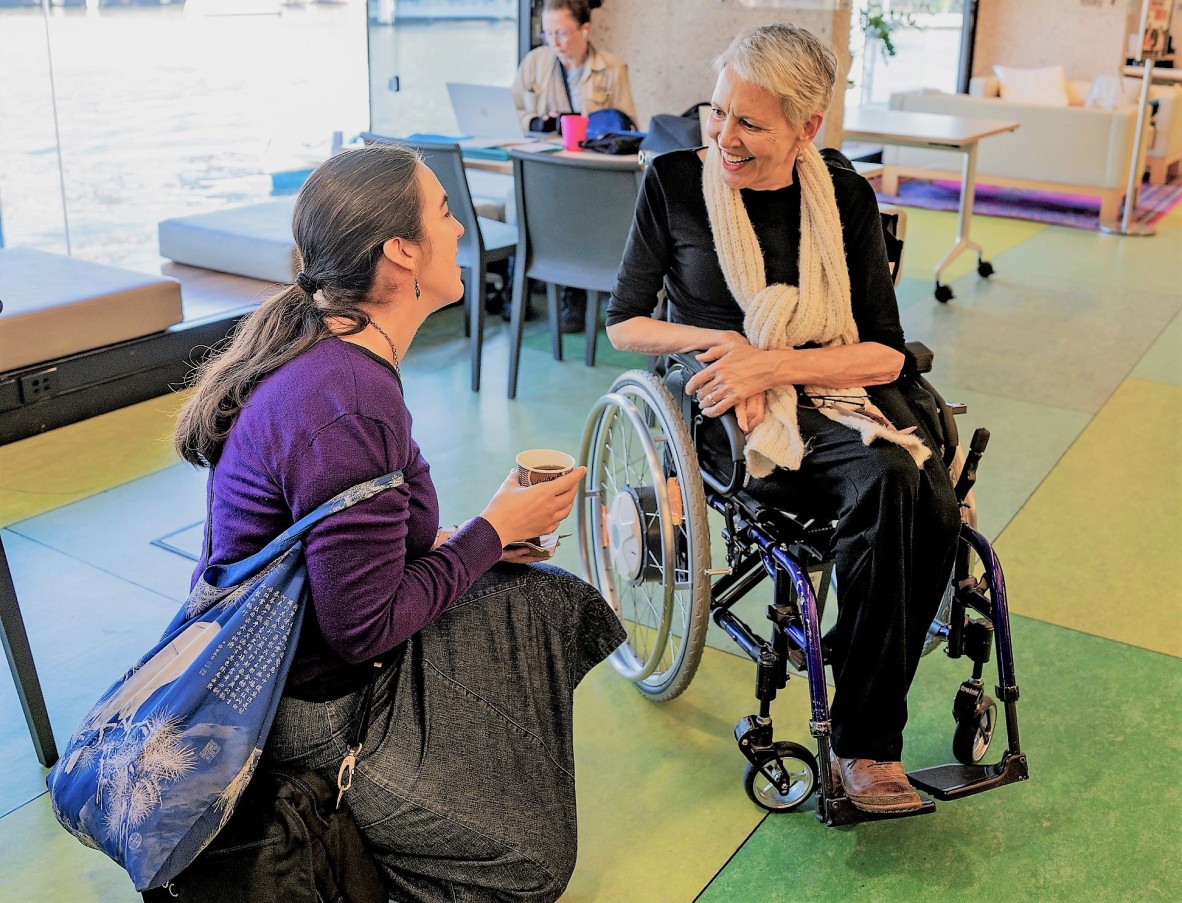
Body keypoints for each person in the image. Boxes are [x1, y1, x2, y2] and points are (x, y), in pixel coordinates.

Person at [173, 143, 625, 901]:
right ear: (401, 252)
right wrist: (486, 531)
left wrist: (468, 542)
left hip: (302, 660)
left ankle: (467, 786)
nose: (459, 228)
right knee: (533, 864)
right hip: (310, 714)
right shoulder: (349, 399)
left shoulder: (332, 347)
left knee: (543, 597)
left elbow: (354, 545)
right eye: (445, 213)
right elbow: (361, 628)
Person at [606, 24, 961, 814]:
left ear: (808, 129)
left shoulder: (844, 197)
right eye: (718, 111)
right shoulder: (672, 182)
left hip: (827, 375)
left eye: (750, 124)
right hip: (731, 399)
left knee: (930, 492)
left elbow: (885, 353)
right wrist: (723, 342)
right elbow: (625, 323)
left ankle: (858, 668)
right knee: (889, 478)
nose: (723, 139)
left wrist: (781, 361)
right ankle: (868, 745)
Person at [512, 0, 637, 333]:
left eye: (562, 33)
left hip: (590, 173)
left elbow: (627, 128)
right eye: (548, 33)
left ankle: (574, 295)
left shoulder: (612, 68)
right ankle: (521, 289)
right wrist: (537, 122)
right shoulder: (536, 62)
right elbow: (511, 112)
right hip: (544, 166)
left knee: (578, 205)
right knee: (520, 200)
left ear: (585, 29)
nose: (554, 42)